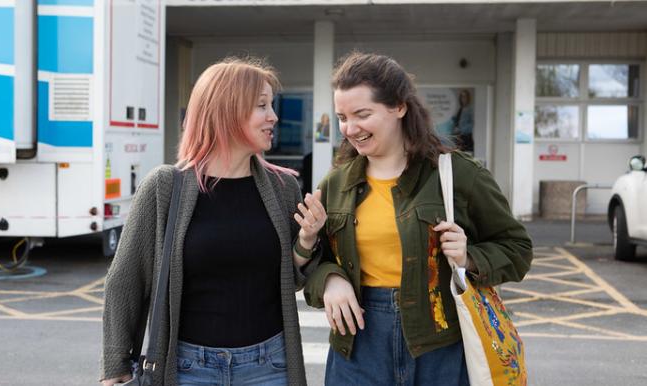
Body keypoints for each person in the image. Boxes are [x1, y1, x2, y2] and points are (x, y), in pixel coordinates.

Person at [302, 52, 533, 385]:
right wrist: (329, 279)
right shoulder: (336, 183)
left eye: (362, 114)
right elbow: (313, 259)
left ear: (399, 107)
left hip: (439, 346)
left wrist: (470, 256)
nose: (350, 129)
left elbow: (518, 249)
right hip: (356, 346)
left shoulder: (458, 174)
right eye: (341, 117)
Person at [100, 57, 323, 386]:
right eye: (262, 106)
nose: (273, 116)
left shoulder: (283, 187)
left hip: (269, 366)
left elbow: (291, 280)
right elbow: (124, 282)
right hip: (188, 369)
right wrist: (115, 366)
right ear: (227, 111)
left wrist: (306, 241)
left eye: (271, 105)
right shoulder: (164, 187)